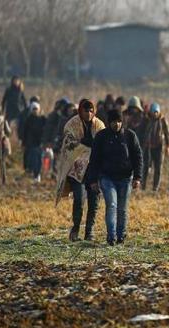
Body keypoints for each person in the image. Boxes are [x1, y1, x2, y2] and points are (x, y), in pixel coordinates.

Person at [85, 110, 143, 246]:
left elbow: (137, 157)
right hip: (107, 178)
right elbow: (94, 159)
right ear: (108, 122)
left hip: (125, 178)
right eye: (113, 122)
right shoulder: (101, 137)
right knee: (111, 205)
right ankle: (111, 237)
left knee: (122, 209)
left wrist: (138, 177)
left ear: (122, 122)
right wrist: (93, 180)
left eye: (118, 121)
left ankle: (121, 236)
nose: (116, 124)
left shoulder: (130, 136)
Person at [55, 99, 105, 242]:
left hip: (94, 170)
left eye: (91, 111)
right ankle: (76, 228)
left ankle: (89, 231)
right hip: (76, 171)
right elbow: (68, 143)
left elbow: (103, 145)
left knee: (94, 201)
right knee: (79, 199)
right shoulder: (71, 124)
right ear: (80, 111)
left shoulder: (99, 125)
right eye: (85, 110)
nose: (88, 114)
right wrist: (83, 144)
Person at [142, 103, 169, 191]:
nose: (155, 114)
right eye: (153, 112)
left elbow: (167, 133)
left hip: (159, 147)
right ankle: (143, 186)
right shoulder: (146, 120)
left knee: (158, 168)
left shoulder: (163, 120)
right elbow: (142, 132)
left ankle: (155, 187)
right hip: (148, 146)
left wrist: (168, 146)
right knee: (146, 167)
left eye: (156, 112)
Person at [21, 102, 46, 182]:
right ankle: (36, 175)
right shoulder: (28, 119)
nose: (35, 111)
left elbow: (47, 130)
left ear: (39, 110)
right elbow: (24, 132)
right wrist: (23, 143)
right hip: (31, 143)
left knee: (39, 159)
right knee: (34, 159)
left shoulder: (43, 119)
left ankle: (38, 174)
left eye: (36, 109)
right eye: (33, 109)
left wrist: (46, 140)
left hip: (40, 142)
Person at [17, 95, 40, 170]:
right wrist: (21, 137)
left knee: (30, 153)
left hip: (30, 137)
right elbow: (21, 126)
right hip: (27, 136)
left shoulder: (35, 112)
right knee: (27, 153)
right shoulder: (25, 113)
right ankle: (27, 168)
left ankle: (28, 168)